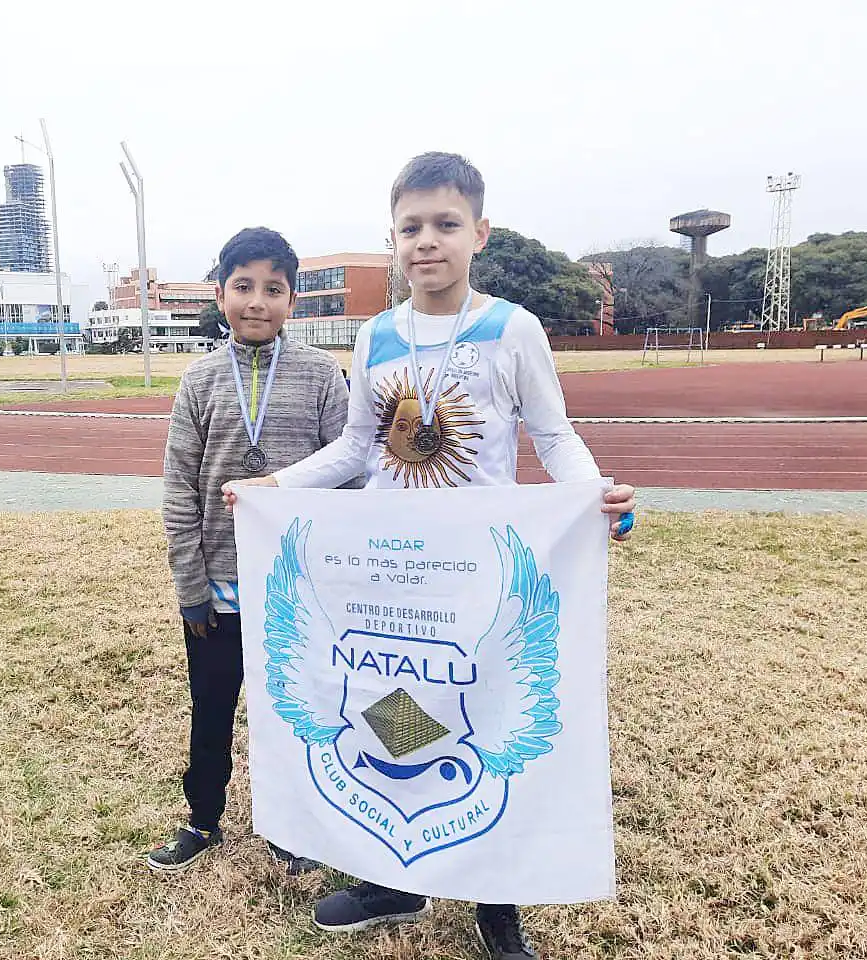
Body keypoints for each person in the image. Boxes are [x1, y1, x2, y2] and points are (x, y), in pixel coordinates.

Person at [224, 153, 637, 959]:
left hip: (477, 568)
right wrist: (275, 484)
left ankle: (498, 898)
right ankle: (395, 880)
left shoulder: (512, 328)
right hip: (389, 568)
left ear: (479, 233)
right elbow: (356, 446)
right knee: (394, 704)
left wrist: (594, 496)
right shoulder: (376, 335)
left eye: (446, 224)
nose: (426, 241)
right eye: (410, 227)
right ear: (393, 238)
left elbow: (552, 433)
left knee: (484, 713)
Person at [151, 226, 354, 875]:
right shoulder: (200, 380)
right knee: (212, 708)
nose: (257, 301)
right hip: (218, 589)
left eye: (273, 288)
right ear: (220, 294)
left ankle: (293, 826)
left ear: (292, 299)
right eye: (243, 286)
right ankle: (202, 818)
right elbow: (180, 488)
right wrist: (191, 588)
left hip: (298, 588)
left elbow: (349, 476)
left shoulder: (323, 377)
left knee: (296, 710)